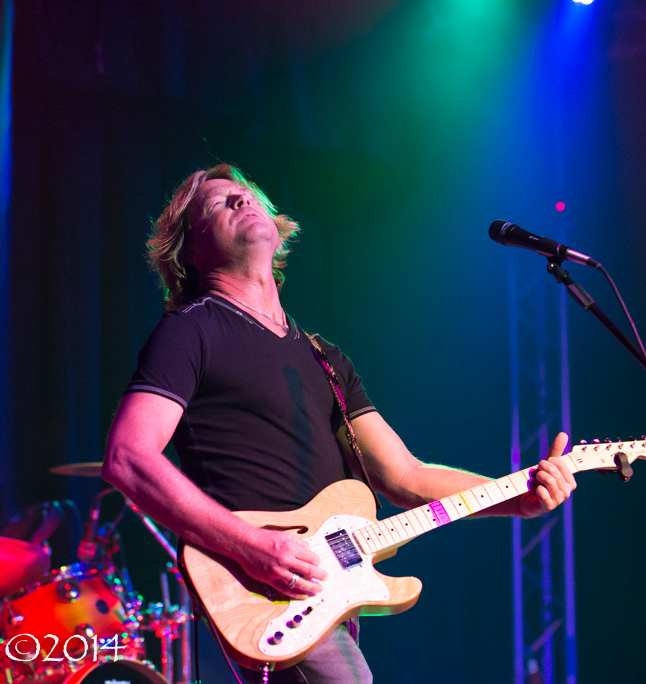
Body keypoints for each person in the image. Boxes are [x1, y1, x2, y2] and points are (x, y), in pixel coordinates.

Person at [102, 164, 577, 683]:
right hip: (263, 587)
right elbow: (128, 456)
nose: (241, 201)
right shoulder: (190, 331)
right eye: (218, 203)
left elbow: (406, 476)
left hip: (325, 593)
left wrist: (518, 497)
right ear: (189, 251)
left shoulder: (324, 358)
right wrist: (252, 546)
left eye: (248, 195)